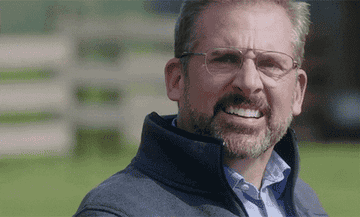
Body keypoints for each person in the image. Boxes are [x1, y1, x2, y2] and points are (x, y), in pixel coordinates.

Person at [74, 0, 328, 216]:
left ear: (297, 92)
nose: (249, 83)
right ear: (177, 80)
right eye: (225, 59)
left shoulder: (305, 205)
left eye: (270, 64)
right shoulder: (117, 211)